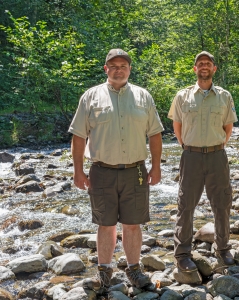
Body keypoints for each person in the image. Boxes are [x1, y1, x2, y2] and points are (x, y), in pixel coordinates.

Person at [69, 49, 164, 290]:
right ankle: (103, 274)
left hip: (136, 171)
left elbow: (155, 133)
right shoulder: (90, 97)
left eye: (123, 65)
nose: (119, 69)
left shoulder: (143, 97)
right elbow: (79, 136)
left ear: (130, 69)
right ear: (106, 69)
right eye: (114, 65)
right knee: (106, 224)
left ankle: (134, 271)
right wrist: (78, 170)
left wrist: (156, 166)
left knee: (133, 224)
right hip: (102, 171)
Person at [167, 51, 237, 271]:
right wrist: (189, 146)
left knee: (222, 204)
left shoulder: (224, 96)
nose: (204, 66)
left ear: (214, 69)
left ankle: (223, 249)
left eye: (208, 63)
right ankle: (183, 253)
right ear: (195, 69)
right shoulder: (182, 96)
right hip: (191, 157)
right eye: (200, 64)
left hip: (217, 156)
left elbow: (228, 128)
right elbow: (177, 127)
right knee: (186, 204)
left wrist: (215, 146)